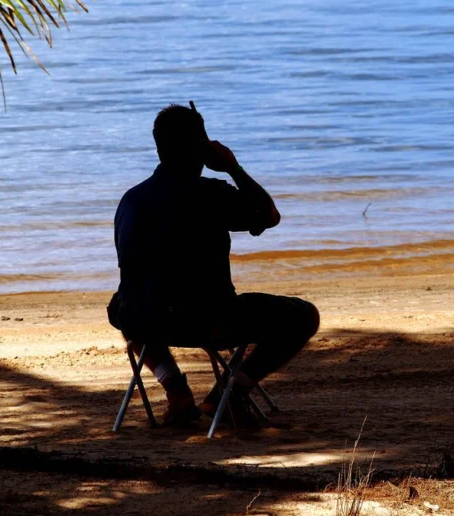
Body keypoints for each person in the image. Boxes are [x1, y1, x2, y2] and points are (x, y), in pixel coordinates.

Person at [108, 103, 319, 426]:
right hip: (208, 322)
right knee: (303, 315)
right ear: (202, 147)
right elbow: (269, 217)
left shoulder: (131, 199)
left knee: (122, 305)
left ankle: (176, 390)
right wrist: (233, 167)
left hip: (142, 320)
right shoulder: (211, 194)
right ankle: (227, 395)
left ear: (160, 148)